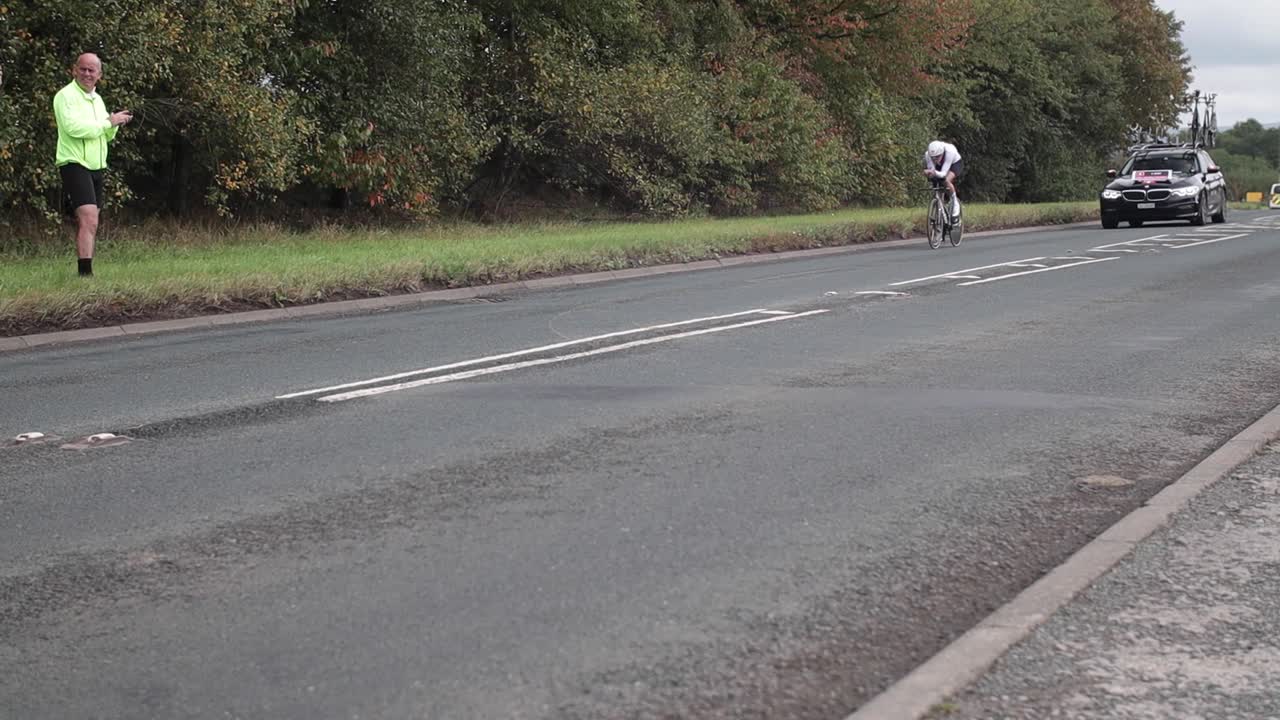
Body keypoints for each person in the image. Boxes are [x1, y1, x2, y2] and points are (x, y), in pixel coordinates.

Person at [53, 53, 131, 277]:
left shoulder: (98, 100)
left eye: (92, 70)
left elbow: (104, 136)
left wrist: (114, 124)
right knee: (89, 218)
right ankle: (85, 275)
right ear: (74, 70)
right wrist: (108, 122)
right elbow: (73, 129)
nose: (87, 74)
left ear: (99, 75)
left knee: (92, 222)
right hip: (74, 162)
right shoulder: (65, 96)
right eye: (83, 69)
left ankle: (86, 273)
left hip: (97, 166)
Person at [923, 140, 963, 223]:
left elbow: (943, 174)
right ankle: (939, 205)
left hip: (954, 163)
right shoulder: (928, 155)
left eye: (937, 157)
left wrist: (933, 172)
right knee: (934, 181)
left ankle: (955, 202)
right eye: (932, 157)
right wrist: (929, 173)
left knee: (946, 180)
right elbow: (932, 171)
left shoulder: (949, 152)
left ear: (942, 153)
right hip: (941, 167)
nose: (934, 159)